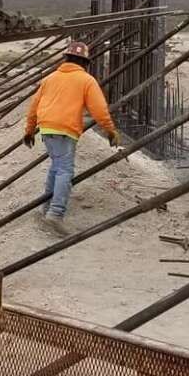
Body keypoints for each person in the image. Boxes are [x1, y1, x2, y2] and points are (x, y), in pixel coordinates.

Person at [23, 40, 119, 236]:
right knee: (65, 170)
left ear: (66, 58)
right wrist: (110, 131)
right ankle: (56, 214)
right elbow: (99, 110)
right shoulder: (86, 80)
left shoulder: (50, 78)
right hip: (65, 130)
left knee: (56, 167)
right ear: (85, 62)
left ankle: (46, 208)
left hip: (46, 127)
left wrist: (29, 130)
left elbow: (34, 106)